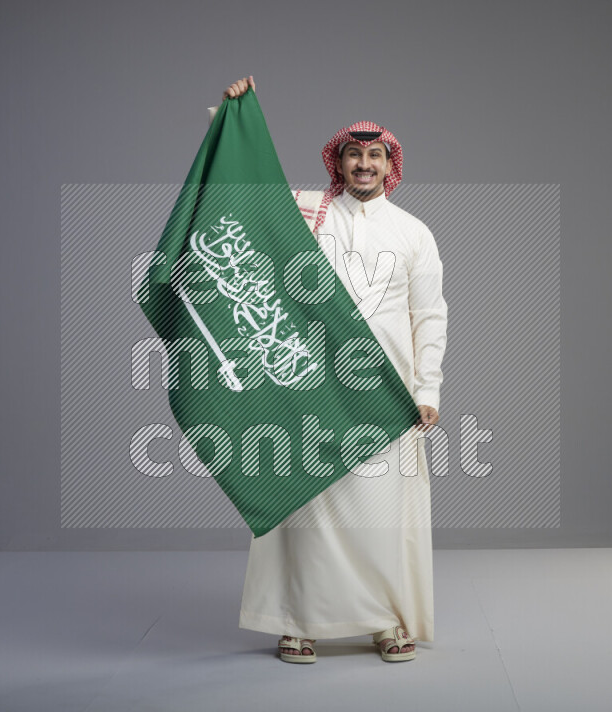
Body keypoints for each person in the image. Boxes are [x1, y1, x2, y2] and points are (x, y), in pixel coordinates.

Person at [208, 76, 448, 663]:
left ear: (388, 164)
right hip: (308, 388)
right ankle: (299, 622)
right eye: (353, 154)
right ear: (337, 162)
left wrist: (427, 388)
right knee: (307, 508)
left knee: (382, 512)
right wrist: (232, 118)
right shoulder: (307, 212)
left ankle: (389, 621)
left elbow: (430, 315)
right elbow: (244, 192)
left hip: (383, 395)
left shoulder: (414, 232)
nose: (363, 164)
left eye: (374, 156)